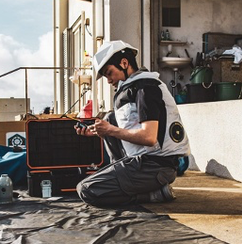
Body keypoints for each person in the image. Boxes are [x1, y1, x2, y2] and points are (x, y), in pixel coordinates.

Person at [76, 41, 188, 207]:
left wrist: (111, 130)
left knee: (86, 189)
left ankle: (153, 195)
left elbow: (149, 137)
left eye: (109, 73)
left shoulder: (146, 88)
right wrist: (97, 131)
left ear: (124, 63)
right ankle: (129, 180)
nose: (108, 80)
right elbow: (126, 127)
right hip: (144, 163)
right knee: (110, 118)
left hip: (156, 167)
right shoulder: (133, 88)